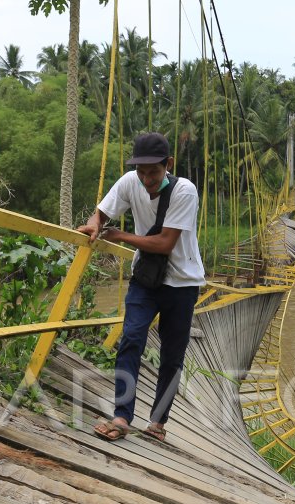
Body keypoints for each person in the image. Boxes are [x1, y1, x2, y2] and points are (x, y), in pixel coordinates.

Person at [78, 132, 206, 443]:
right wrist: (95, 223)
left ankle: (158, 423)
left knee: (172, 356)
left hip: (182, 283)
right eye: (142, 172)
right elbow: (103, 211)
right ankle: (122, 416)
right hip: (146, 280)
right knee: (131, 338)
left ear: (168, 165)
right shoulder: (128, 182)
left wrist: (119, 236)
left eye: (154, 172)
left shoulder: (185, 192)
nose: (147, 179)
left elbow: (165, 243)